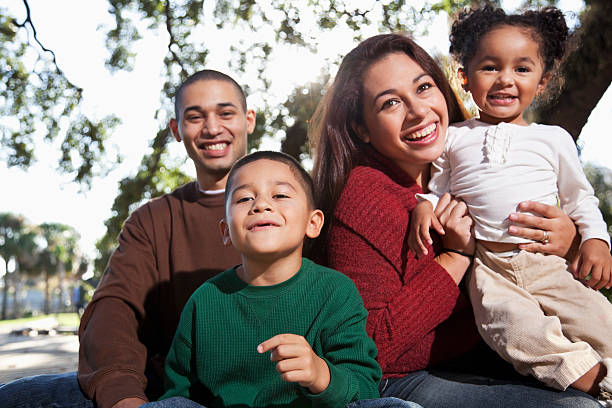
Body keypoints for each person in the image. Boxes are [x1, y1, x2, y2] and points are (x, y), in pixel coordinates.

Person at [309, 32, 603, 407]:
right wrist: (455, 258)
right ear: (361, 128)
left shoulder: (471, 162)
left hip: (491, 355)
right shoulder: (364, 195)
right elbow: (373, 346)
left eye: (424, 87)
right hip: (400, 379)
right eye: (390, 103)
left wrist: (570, 241)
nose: (417, 112)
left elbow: (527, 271)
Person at [0, 69, 255, 408]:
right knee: (20, 397)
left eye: (225, 113)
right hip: (166, 390)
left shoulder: (291, 204)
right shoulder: (152, 219)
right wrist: (123, 396)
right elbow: (114, 309)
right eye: (195, 117)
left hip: (258, 388)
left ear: (248, 119)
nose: (211, 128)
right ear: (176, 130)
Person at [407, 6, 612, 404]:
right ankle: (591, 380)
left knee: (599, 320)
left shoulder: (552, 139)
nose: (505, 79)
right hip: (490, 268)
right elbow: (439, 186)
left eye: (522, 69)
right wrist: (423, 205)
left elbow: (579, 197)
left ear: (544, 80)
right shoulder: (453, 138)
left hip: (544, 261)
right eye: (489, 67)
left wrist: (596, 241)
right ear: (464, 78)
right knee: (513, 331)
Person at [141, 150, 420, 408]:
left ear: (313, 223)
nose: (261, 205)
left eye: (280, 196)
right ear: (226, 230)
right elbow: (178, 393)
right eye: (244, 199)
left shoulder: (335, 291)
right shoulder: (204, 301)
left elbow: (364, 388)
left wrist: (320, 373)